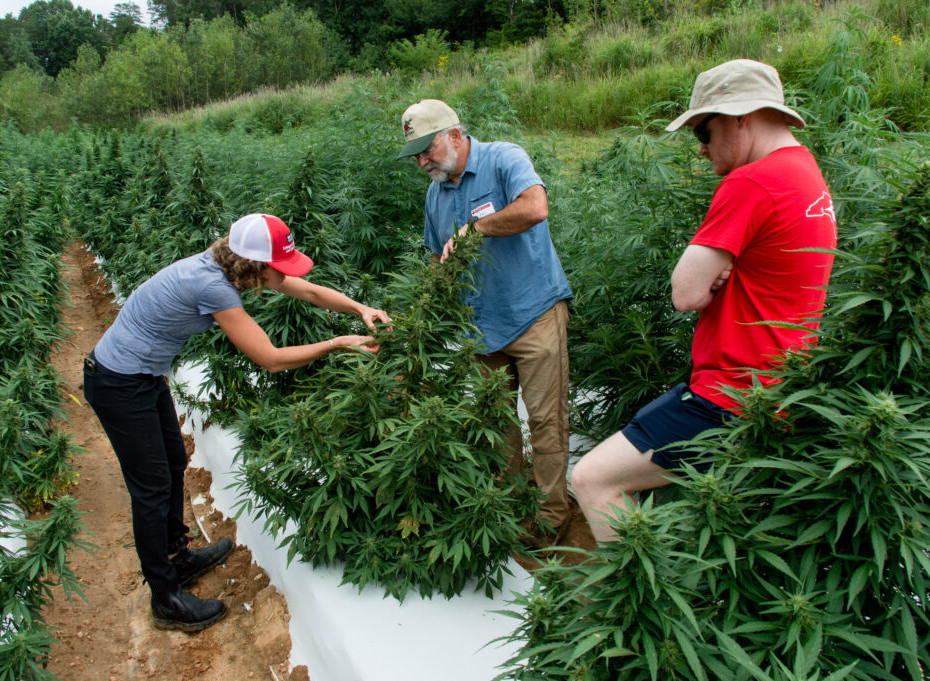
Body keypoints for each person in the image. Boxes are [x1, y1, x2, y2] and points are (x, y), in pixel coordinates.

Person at [571, 59, 838, 545]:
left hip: (732, 391)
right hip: (785, 384)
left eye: (704, 130)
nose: (700, 147)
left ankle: (638, 609)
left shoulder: (751, 182)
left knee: (593, 479)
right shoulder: (806, 175)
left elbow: (685, 292)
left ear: (740, 118)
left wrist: (713, 272)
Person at [83, 213, 389, 631]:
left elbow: (309, 290)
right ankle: (165, 597)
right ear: (255, 264)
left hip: (141, 376)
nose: (284, 273)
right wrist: (338, 343)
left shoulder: (223, 264)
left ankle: (179, 557)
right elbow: (270, 358)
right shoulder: (211, 286)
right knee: (151, 487)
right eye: (278, 267)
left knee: (173, 465)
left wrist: (359, 307)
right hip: (119, 384)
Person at [397, 99, 574, 549]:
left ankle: (552, 516)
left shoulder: (503, 158)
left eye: (427, 150)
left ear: (454, 135)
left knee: (545, 421)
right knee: (496, 424)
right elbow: (441, 260)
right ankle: (510, 508)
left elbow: (535, 207)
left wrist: (477, 229)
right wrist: (423, 313)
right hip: (480, 328)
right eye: (415, 155)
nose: (422, 162)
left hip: (533, 314)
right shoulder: (436, 195)